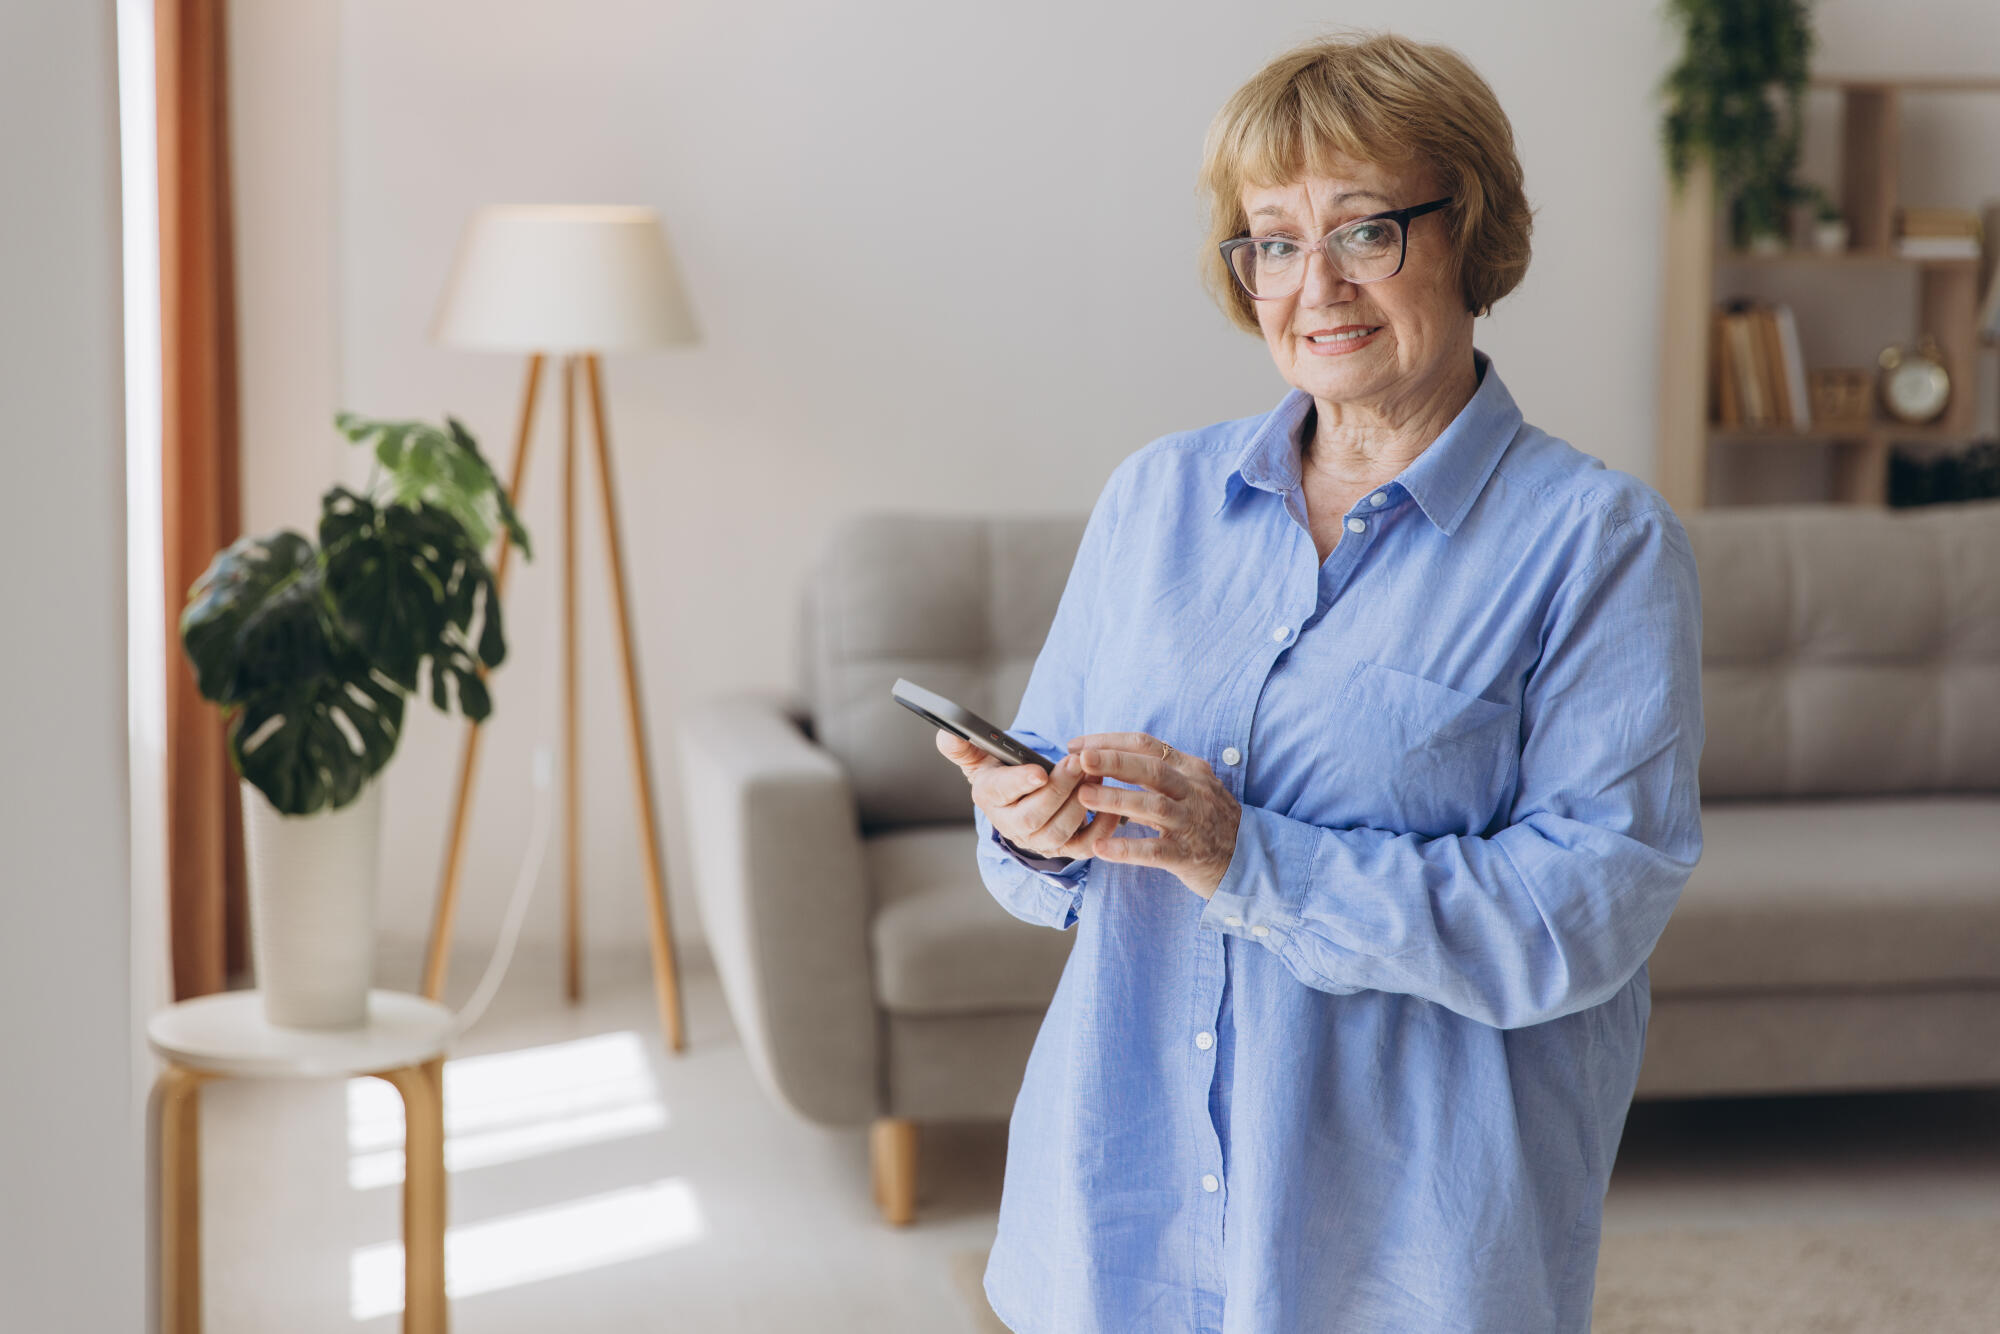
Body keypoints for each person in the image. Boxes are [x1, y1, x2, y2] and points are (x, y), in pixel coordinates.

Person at [932, 28, 1705, 1334]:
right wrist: (1035, 827)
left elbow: (1585, 911)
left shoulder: (1600, 542)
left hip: (1400, 1243)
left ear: (1468, 232)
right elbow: (1041, 827)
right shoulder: (1155, 498)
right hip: (1119, 1198)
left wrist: (1246, 855)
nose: (1315, 284)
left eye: (1365, 231)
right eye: (1273, 240)